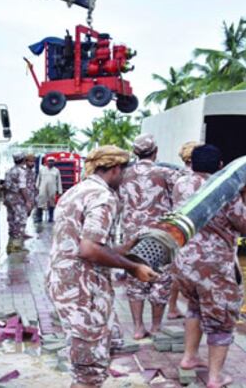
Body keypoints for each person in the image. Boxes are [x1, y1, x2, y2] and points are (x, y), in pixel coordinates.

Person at [46, 145, 159, 388]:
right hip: (82, 291)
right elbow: (89, 250)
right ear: (116, 169)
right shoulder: (103, 197)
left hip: (70, 284)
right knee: (89, 372)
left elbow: (85, 245)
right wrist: (132, 268)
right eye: (125, 172)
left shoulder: (76, 191)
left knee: (106, 348)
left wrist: (126, 248)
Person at [172, 144, 246, 388]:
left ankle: (189, 357)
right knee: (221, 319)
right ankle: (215, 377)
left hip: (184, 262)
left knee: (194, 307)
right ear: (221, 166)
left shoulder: (181, 184)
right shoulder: (226, 189)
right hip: (214, 266)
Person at [118, 134, 177, 339]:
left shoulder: (123, 174)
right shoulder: (166, 173)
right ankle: (156, 327)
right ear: (155, 151)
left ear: (135, 152)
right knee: (161, 278)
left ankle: (137, 327)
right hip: (160, 236)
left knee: (135, 278)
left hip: (132, 235)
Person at [166, 140, 201, 320]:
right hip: (196, 229)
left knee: (177, 270)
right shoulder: (202, 179)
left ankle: (172, 307)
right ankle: (193, 309)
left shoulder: (176, 178)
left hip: (178, 229)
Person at [3, 152, 32, 243]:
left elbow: (5, 186)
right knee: (21, 217)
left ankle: (12, 233)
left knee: (11, 216)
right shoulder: (21, 171)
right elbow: (22, 187)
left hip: (8, 197)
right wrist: (27, 200)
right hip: (17, 197)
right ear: (23, 160)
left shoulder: (9, 171)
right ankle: (18, 238)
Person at [37, 157, 63, 223]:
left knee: (52, 202)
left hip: (52, 188)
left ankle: (51, 217)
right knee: (41, 202)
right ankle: (39, 218)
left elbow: (59, 181)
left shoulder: (56, 170)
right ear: (46, 162)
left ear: (54, 162)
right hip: (43, 188)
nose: (50, 162)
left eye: (52, 161)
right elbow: (38, 179)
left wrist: (60, 191)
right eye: (49, 161)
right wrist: (37, 187)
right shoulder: (42, 170)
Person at [25, 153, 39, 228]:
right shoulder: (23, 171)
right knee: (22, 214)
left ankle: (23, 230)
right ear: (26, 162)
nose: (32, 163)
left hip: (32, 195)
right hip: (24, 196)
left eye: (33, 161)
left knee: (28, 213)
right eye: (30, 161)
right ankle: (20, 231)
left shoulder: (33, 172)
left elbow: (34, 184)